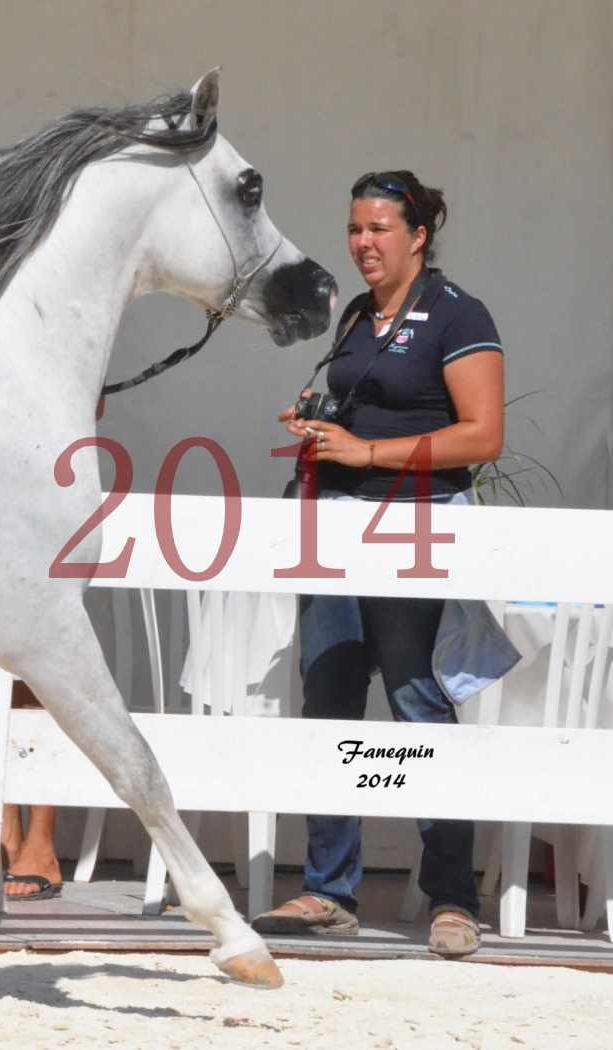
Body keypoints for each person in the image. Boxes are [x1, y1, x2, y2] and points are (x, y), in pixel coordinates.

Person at [252, 170, 504, 958]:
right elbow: (361, 403)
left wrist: (369, 450)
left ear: (417, 234)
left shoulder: (457, 313)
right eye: (354, 228)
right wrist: (317, 423)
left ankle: (451, 898)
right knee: (327, 695)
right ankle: (329, 890)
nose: (362, 242)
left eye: (379, 229)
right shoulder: (359, 314)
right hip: (333, 525)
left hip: (415, 528)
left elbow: (480, 435)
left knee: (414, 699)